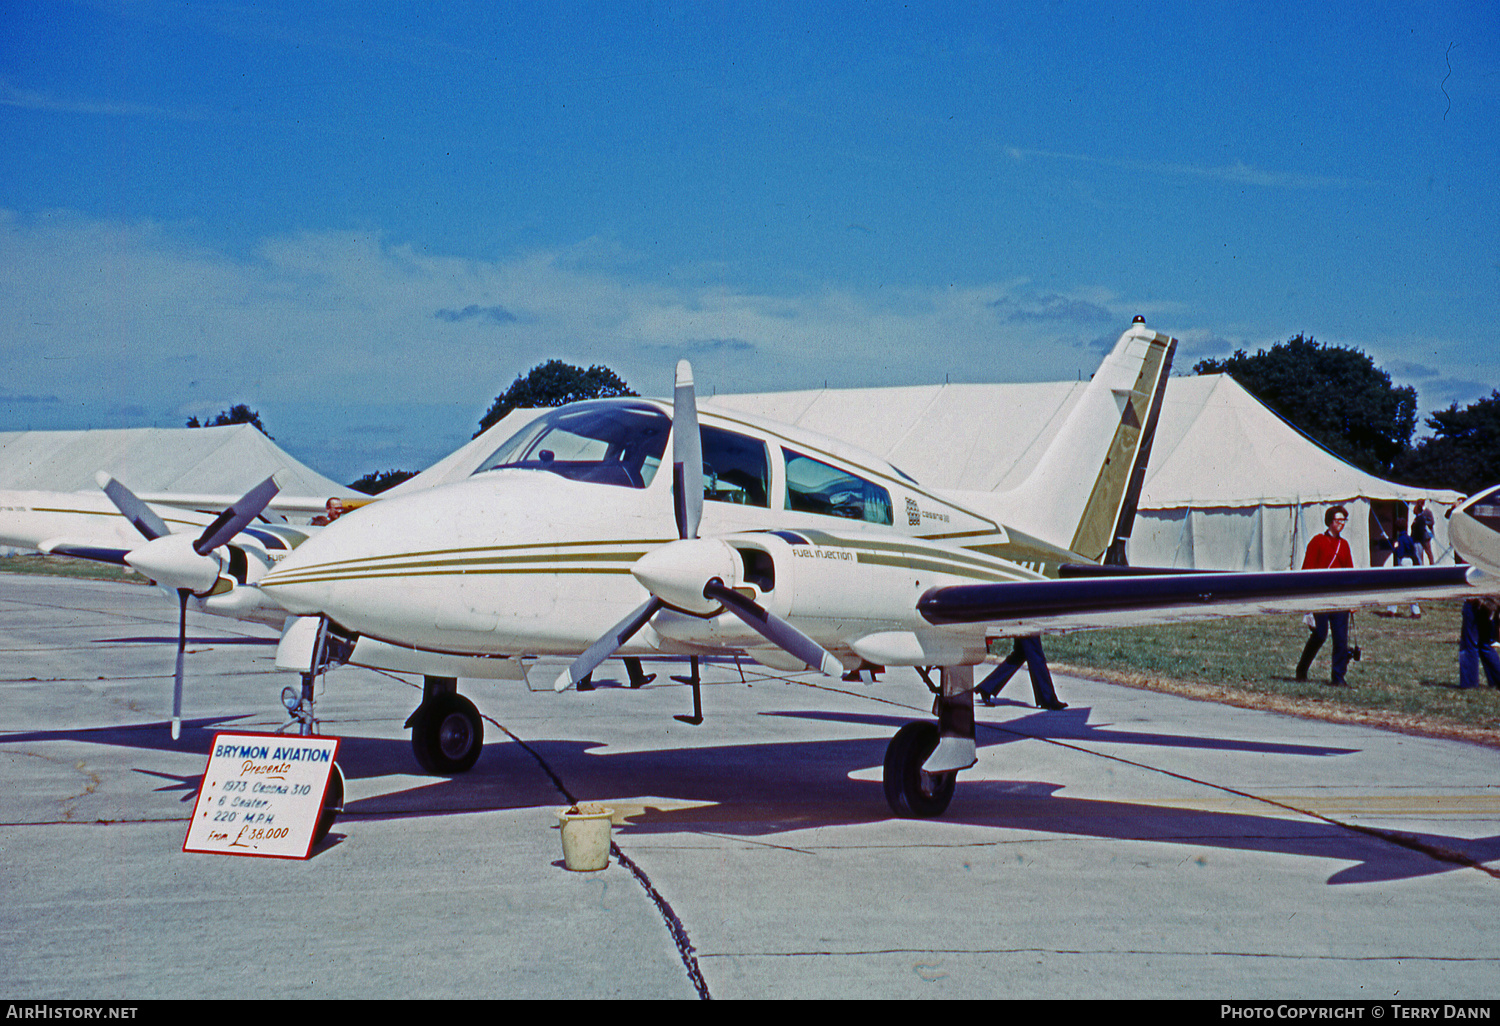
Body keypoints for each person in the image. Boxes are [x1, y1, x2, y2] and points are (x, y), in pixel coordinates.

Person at [1296, 505, 1354, 686]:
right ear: (1330, 521)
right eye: (1338, 520)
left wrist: (1352, 599)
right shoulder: (1317, 541)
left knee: (1341, 639)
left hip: (1339, 597)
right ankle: (1302, 668)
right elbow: (1307, 570)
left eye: (1344, 520)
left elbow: (1349, 571)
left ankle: (1338, 677)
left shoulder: (1344, 545)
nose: (1341, 524)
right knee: (1320, 635)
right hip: (1320, 596)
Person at [977, 636, 1068, 710]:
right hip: (1026, 619)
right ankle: (1047, 699)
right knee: (1035, 654)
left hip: (1020, 618)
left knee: (1021, 654)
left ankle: (987, 687)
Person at [1458, 597, 1500, 689]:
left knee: (1470, 645)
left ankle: (1469, 683)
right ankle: (1497, 679)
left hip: (1477, 602)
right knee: (1485, 645)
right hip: (1491, 602)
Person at [1386, 516, 1422, 618]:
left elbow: (1399, 553)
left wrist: (1395, 547)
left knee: (1397, 586)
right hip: (1410, 561)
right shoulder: (1409, 538)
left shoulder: (1400, 539)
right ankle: (1416, 611)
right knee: (1410, 587)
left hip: (1403, 561)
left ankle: (1391, 610)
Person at [1411, 498, 1436, 566]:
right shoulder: (1418, 512)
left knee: (1428, 551)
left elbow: (1432, 522)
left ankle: (1432, 564)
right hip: (1420, 535)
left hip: (1426, 535)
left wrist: (1424, 522)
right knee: (1420, 552)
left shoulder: (1428, 511)